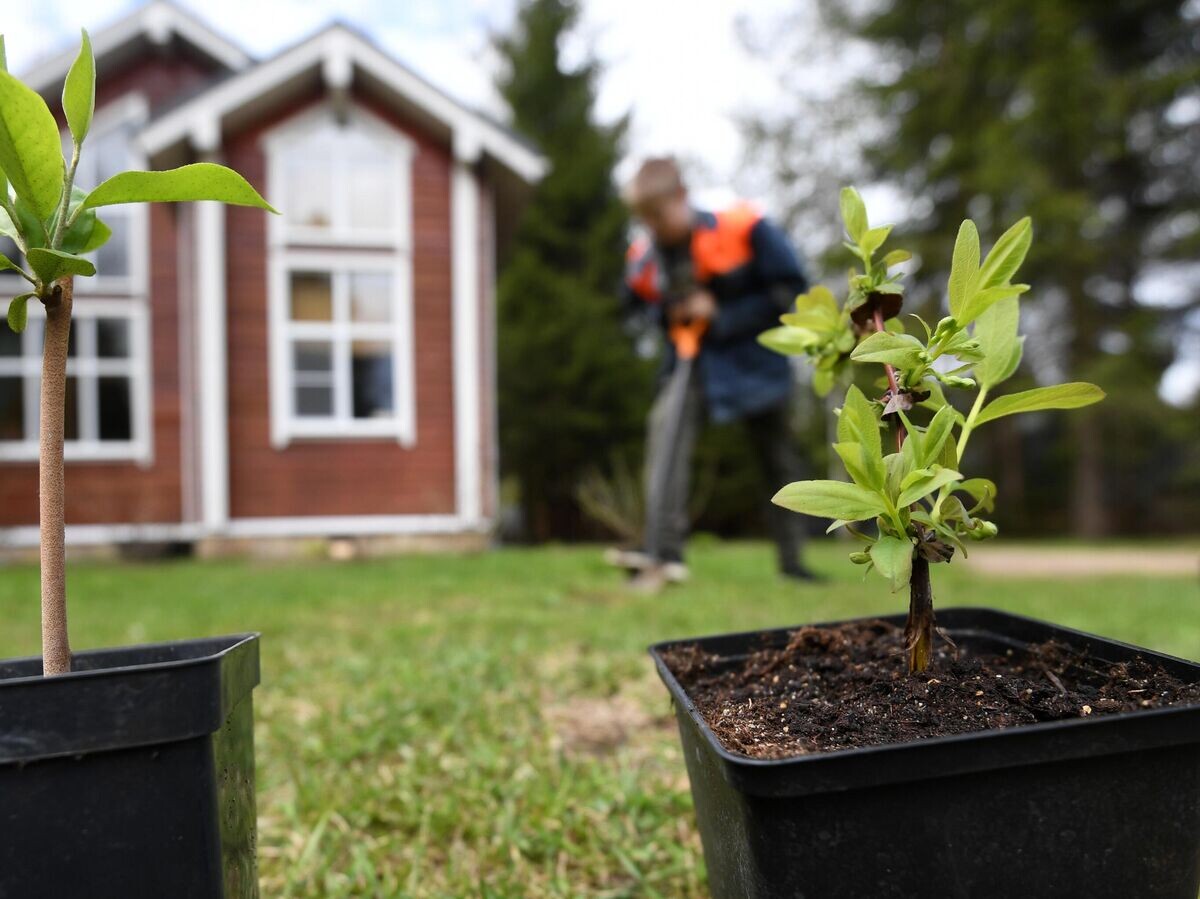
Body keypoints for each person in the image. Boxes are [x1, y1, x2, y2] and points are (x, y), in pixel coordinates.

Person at [615, 157, 820, 592]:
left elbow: (791, 291)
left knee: (776, 460)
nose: (653, 226)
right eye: (644, 218)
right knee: (664, 433)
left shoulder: (744, 229)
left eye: (658, 214)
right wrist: (666, 311)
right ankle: (663, 552)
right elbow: (634, 306)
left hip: (757, 362)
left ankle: (793, 561)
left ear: (681, 197)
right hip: (693, 363)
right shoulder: (646, 257)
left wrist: (721, 312)